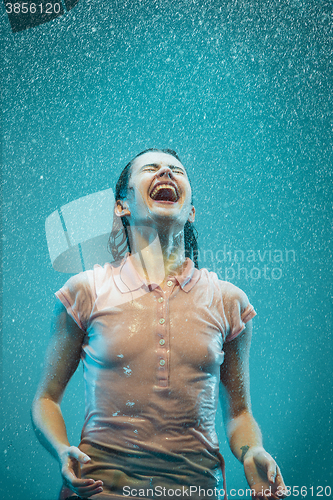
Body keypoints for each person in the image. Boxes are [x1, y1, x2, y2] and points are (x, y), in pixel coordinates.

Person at [31, 148, 286, 500]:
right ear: (122, 205)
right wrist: (61, 449)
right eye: (151, 168)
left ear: (191, 211)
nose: (166, 172)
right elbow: (46, 399)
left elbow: (239, 413)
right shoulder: (85, 291)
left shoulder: (229, 301)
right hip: (98, 492)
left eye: (176, 171)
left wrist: (252, 451)